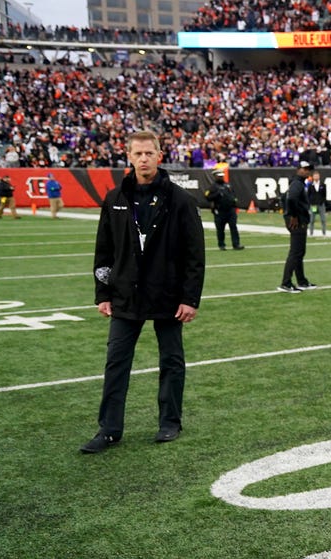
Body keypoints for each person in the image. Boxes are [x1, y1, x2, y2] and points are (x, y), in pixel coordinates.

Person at [81, 129, 206, 453]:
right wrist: (103, 293)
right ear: (129, 157)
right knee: (116, 362)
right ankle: (109, 429)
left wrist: (189, 298)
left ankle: (170, 422)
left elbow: (195, 255)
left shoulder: (180, 200)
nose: (143, 159)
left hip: (167, 294)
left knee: (172, 360)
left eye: (149, 153)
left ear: (159, 156)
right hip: (125, 294)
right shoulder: (115, 198)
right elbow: (103, 251)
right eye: (137, 154)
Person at [279, 161, 318, 293]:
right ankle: (286, 282)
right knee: (296, 252)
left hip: (299, 219)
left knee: (299, 252)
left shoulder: (298, 183)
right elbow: (291, 199)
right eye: (304, 169)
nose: (307, 171)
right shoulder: (297, 183)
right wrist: (293, 215)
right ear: (298, 170)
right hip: (297, 221)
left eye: (309, 169)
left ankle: (301, 281)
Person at [204, 168, 243, 251]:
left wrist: (234, 202)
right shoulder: (212, 187)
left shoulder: (228, 185)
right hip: (220, 211)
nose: (221, 178)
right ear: (215, 176)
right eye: (219, 176)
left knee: (233, 227)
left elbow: (233, 195)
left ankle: (236, 244)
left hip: (230, 210)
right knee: (220, 229)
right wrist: (217, 194)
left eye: (222, 176)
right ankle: (221, 245)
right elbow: (207, 197)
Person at [308, 170, 327, 236]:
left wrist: (322, 201)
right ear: (313, 177)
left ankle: (324, 233)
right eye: (315, 176)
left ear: (319, 176)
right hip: (313, 205)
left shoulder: (322, 185)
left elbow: (325, 194)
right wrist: (311, 202)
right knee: (312, 219)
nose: (316, 177)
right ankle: (311, 232)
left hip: (321, 204)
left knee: (323, 219)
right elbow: (308, 195)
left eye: (317, 176)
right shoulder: (310, 185)